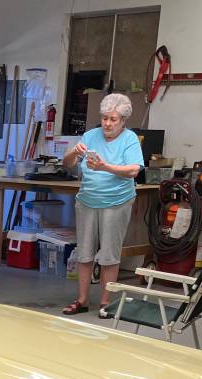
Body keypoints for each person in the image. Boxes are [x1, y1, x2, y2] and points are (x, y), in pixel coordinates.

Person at [60, 93, 143, 316]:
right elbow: (67, 164)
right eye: (105, 118)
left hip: (116, 203)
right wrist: (72, 152)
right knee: (84, 253)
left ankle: (106, 303)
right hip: (87, 201)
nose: (107, 123)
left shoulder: (130, 139)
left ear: (123, 121)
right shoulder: (90, 135)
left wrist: (105, 167)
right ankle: (82, 300)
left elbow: (134, 170)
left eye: (113, 119)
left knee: (109, 255)